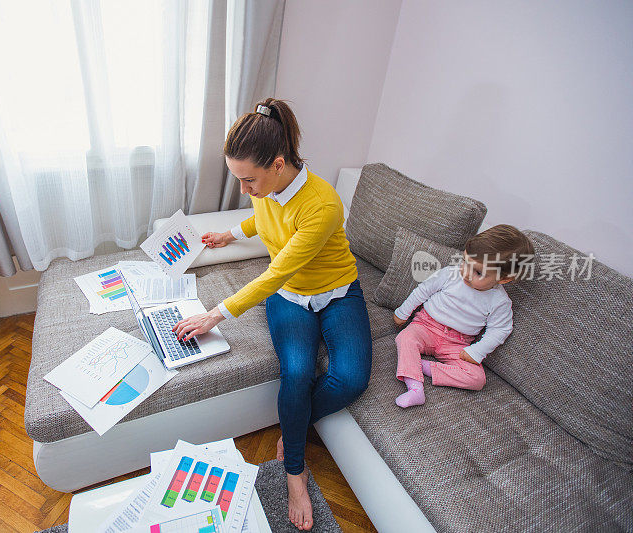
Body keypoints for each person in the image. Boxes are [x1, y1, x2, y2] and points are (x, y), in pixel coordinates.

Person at [173, 98, 372, 530]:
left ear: (279, 164)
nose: (245, 189)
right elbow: (260, 217)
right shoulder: (267, 190)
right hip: (290, 297)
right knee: (297, 374)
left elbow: (277, 269)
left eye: (249, 180)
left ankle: (293, 428)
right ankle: (295, 472)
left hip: (338, 294)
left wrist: (215, 315)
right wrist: (229, 234)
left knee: (351, 379)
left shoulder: (322, 205)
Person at [393, 225, 535, 408]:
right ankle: (414, 389)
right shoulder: (450, 275)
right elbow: (423, 291)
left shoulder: (499, 301)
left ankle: (422, 366)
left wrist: (477, 351)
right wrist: (403, 312)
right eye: (465, 262)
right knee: (405, 337)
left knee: (477, 379)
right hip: (426, 325)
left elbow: (500, 329)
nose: (466, 273)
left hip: (458, 343)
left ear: (504, 278)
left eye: (478, 272)